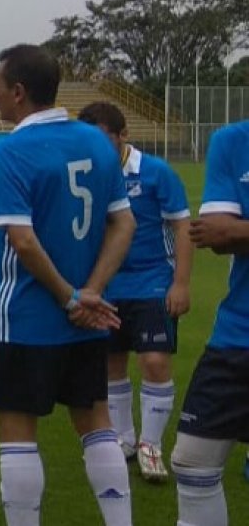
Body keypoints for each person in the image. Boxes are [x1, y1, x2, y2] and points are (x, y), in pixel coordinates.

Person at [0, 44, 136, 526]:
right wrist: (91, 292)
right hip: (88, 318)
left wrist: (70, 296)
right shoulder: (95, 141)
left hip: (26, 315)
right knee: (95, 420)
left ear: (19, 92)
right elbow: (124, 224)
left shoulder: (10, 151)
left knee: (17, 429)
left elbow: (23, 243)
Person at [77, 101, 192, 484]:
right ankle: (124, 439)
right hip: (106, 283)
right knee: (112, 362)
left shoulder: (155, 172)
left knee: (155, 361)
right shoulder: (89, 172)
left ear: (123, 135)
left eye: (103, 137)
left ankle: (151, 445)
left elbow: (181, 227)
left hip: (152, 280)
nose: (96, 146)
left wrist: (180, 283)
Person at [171, 118, 249, 525]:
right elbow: (215, 237)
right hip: (237, 332)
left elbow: (229, 230)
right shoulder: (233, 140)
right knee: (191, 461)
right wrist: (230, 233)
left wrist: (240, 230)